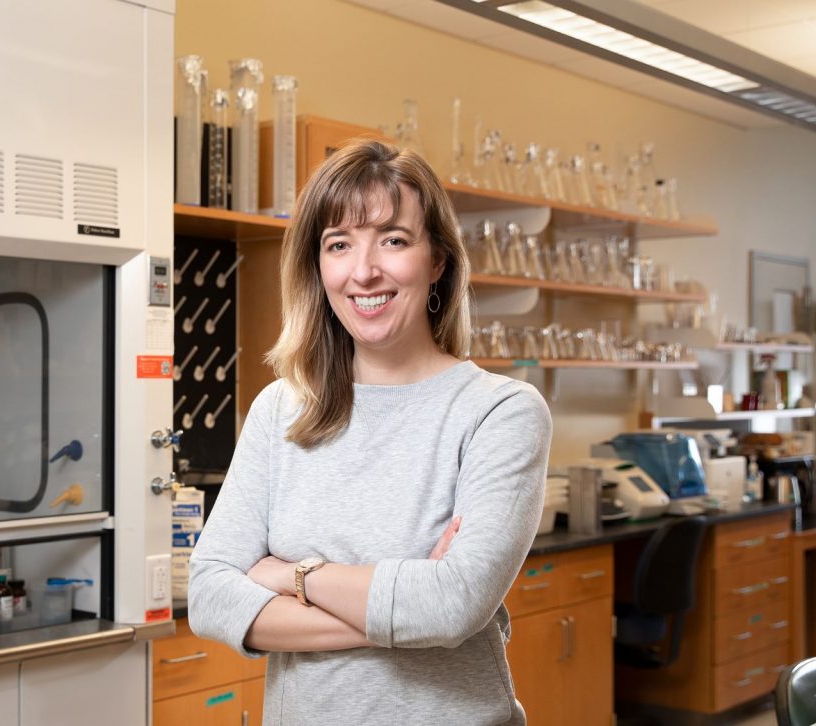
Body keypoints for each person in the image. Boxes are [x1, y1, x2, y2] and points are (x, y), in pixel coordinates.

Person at [188, 138, 552, 725]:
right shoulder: (281, 408)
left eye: (393, 240)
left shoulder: (498, 412)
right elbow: (208, 595)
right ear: (318, 267)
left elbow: (451, 606)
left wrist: (290, 576)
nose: (364, 271)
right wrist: (402, 613)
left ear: (437, 261)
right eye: (339, 244)